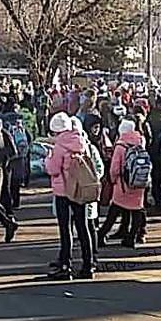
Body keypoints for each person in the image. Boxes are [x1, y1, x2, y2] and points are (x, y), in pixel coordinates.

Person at [45, 112, 103, 280]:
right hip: (79, 188)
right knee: (83, 227)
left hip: (63, 191)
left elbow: (53, 170)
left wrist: (48, 158)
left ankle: (65, 265)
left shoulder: (59, 147)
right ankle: (88, 265)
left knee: (66, 229)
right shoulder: (81, 141)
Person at [104, 118, 150, 247]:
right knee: (136, 211)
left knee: (114, 210)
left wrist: (112, 180)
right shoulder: (140, 141)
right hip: (139, 182)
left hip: (123, 183)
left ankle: (102, 234)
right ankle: (132, 236)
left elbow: (115, 168)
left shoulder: (121, 145)